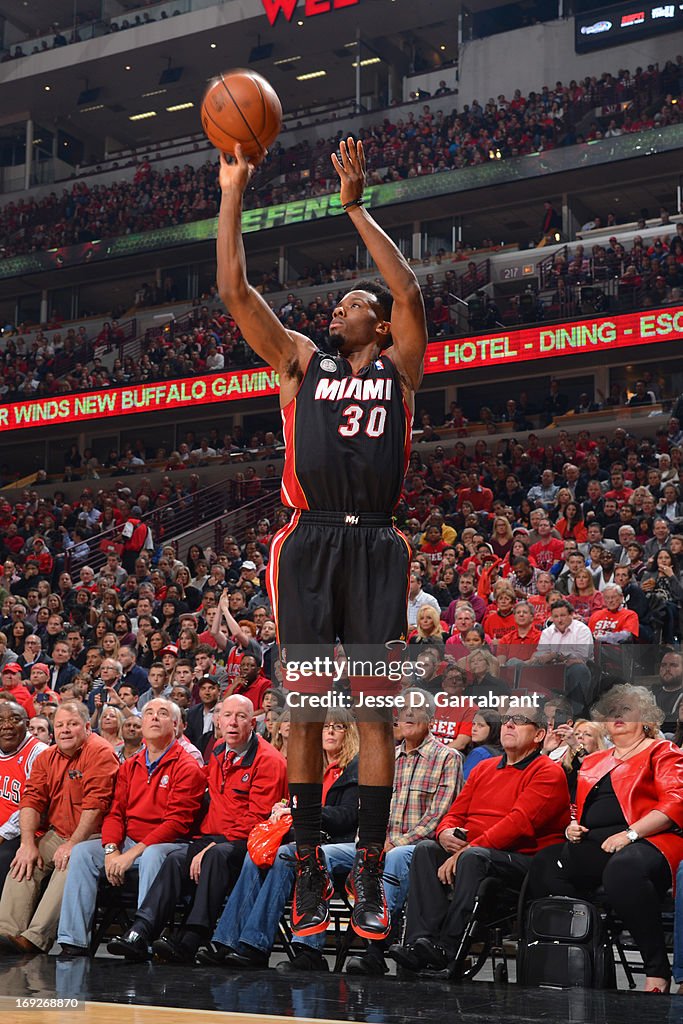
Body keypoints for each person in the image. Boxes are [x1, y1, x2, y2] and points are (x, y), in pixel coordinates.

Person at [217, 136, 428, 939]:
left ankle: (368, 869)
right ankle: (307, 865)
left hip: (377, 541)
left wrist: (353, 207)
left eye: (349, 303)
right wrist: (233, 190)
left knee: (371, 718)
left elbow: (407, 287)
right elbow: (234, 289)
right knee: (306, 712)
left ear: (375, 323)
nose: (333, 309)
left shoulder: (399, 370)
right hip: (306, 543)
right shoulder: (301, 362)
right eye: (337, 303)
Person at [389, 705, 569, 976]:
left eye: (519, 721)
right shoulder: (484, 768)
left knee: (474, 858)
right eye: (507, 719)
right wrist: (445, 833)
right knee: (426, 849)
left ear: (539, 734)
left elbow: (518, 825)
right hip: (475, 851)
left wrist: (467, 850)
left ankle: (447, 949)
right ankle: (419, 944)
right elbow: (455, 813)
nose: (509, 724)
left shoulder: (547, 772)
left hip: (523, 858)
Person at [291, 692, 463, 975]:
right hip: (374, 841)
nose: (407, 714)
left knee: (393, 859)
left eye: (415, 710)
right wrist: (367, 841)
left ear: (431, 719)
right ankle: (309, 948)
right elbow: (365, 809)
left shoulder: (448, 757)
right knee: (317, 854)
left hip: (415, 847)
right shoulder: (384, 757)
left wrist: (393, 843)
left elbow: (437, 817)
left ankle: (375, 950)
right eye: (403, 708)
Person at [107, 695, 287, 962]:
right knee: (176, 860)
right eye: (227, 716)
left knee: (215, 857)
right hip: (212, 836)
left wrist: (212, 846)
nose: (233, 723)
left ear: (253, 723)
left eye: (240, 717)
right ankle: (140, 931)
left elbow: (257, 820)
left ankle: (192, 937)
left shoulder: (268, 760)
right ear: (218, 720)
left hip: (248, 840)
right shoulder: (216, 751)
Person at [528, 684, 683, 994]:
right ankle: (583, 959)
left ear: (647, 718)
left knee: (622, 870)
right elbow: (579, 808)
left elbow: (675, 802)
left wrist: (630, 834)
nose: (618, 715)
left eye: (626, 709)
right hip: (597, 843)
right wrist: (573, 826)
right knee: (546, 862)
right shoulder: (594, 761)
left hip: (651, 839)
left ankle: (657, 970)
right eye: (612, 710)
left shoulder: (661, 751)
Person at [196, 709, 359, 968]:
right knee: (257, 854)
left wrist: (302, 812)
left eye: (337, 727)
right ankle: (226, 940)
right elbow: (297, 804)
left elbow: (348, 817)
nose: (329, 731)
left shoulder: (355, 767)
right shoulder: (310, 765)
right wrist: (282, 808)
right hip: (307, 837)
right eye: (325, 726)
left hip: (341, 841)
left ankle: (257, 944)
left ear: (349, 733)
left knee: (286, 856)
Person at [57, 698, 207, 955]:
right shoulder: (130, 765)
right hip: (128, 842)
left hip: (170, 844)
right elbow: (115, 813)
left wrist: (130, 854)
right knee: (82, 852)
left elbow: (176, 824)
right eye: (149, 713)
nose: (154, 718)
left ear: (176, 725)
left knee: (151, 856)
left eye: (162, 714)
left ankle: (141, 938)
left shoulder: (187, 766)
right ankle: (73, 941)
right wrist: (111, 850)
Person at [0, 701, 118, 954]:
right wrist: (27, 843)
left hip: (95, 836)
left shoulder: (100, 752)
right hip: (59, 832)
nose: (65, 730)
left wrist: (73, 844)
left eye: (73, 724)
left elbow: (96, 806)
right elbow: (31, 800)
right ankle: (6, 931)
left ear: (87, 726)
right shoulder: (47, 757)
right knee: (24, 860)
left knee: (71, 863)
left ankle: (35, 938)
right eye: (60, 725)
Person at [0, 703, 48, 890]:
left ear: (27, 724)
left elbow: (34, 804)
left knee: (4, 859)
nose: (7, 726)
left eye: (14, 719)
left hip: (29, 833)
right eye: (1, 720)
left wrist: (2, 833)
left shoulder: (38, 753)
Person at [462, 710, 503, 780]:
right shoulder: (505, 752)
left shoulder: (480, 753)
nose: (474, 729)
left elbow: (464, 782)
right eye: (473, 724)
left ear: (493, 729)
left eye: (480, 725)